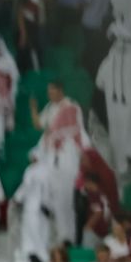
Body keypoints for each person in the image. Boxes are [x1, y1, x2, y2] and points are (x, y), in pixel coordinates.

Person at [30, 81, 88, 246]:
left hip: (67, 155)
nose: (50, 94)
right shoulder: (49, 108)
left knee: (67, 199)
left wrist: (80, 151)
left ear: (60, 90)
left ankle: (70, 237)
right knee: (55, 198)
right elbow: (39, 125)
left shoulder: (70, 106)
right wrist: (34, 108)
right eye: (48, 92)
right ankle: (61, 237)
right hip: (51, 156)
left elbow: (77, 129)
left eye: (52, 91)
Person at [96, 25, 131, 176]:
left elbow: (99, 83)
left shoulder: (107, 61)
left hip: (115, 108)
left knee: (120, 134)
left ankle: (122, 167)